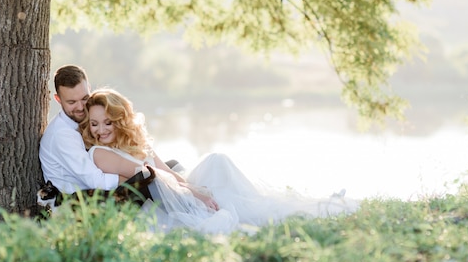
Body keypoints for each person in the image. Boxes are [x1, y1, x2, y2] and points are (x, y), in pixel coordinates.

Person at [80, 88, 359, 234]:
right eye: (94, 124)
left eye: (108, 122)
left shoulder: (134, 141)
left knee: (217, 161)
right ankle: (264, 210)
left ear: (121, 120)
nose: (100, 130)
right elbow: (153, 176)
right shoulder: (100, 154)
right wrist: (196, 195)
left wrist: (193, 188)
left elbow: (167, 172)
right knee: (218, 182)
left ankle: (274, 207)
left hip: (176, 188)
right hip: (165, 202)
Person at [39, 65, 143, 194]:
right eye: (71, 102)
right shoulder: (62, 134)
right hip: (77, 202)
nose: (81, 107)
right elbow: (96, 181)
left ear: (89, 89)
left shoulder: (86, 120)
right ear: (58, 99)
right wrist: (138, 181)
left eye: (84, 98)